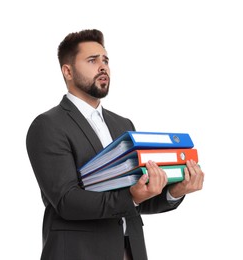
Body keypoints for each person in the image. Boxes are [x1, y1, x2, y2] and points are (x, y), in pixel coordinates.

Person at [26, 29, 204, 260]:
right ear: (67, 71)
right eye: (92, 60)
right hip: (79, 252)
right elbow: (66, 201)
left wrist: (174, 191)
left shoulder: (122, 124)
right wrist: (132, 197)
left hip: (130, 251)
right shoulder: (48, 125)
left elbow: (135, 200)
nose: (103, 67)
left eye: (105, 60)